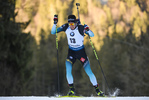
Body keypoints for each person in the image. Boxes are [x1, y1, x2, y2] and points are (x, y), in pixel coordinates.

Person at [51, 14, 104, 96]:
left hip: (81, 52)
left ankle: (98, 90)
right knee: (68, 71)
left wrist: (88, 29)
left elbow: (92, 35)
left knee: (89, 72)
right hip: (71, 52)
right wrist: (55, 23)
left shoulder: (80, 28)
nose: (71, 26)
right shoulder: (66, 27)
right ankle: (72, 90)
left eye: (72, 24)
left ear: (75, 22)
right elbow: (53, 32)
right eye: (69, 24)